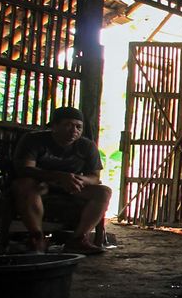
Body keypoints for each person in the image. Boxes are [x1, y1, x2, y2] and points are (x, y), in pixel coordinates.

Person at [11, 106, 111, 254]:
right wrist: (59, 176)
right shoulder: (33, 140)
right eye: (68, 125)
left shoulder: (87, 146)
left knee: (103, 192)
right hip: (39, 184)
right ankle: (37, 238)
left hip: (71, 186)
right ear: (54, 126)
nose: (74, 131)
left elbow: (95, 177)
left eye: (78, 127)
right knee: (24, 185)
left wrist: (79, 180)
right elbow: (24, 169)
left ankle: (78, 239)